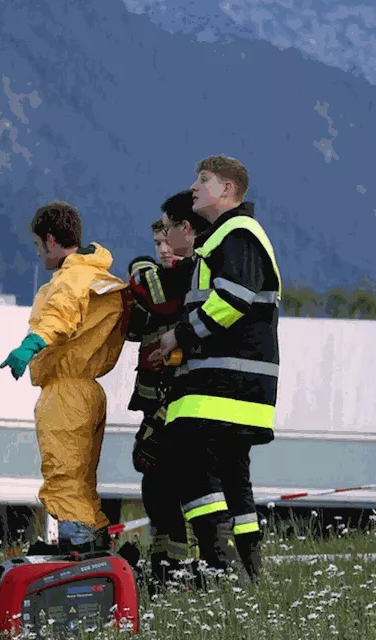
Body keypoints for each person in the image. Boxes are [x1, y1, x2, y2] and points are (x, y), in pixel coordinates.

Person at [150, 155, 282, 583]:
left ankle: (218, 565)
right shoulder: (221, 240)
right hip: (239, 389)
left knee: (186, 459)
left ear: (226, 190)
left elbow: (233, 299)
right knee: (233, 475)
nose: (193, 187)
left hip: (222, 385)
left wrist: (179, 338)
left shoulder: (237, 233)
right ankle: (248, 573)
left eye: (202, 180)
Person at [0, 200, 128, 554]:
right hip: (89, 390)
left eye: (39, 246)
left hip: (66, 390)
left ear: (52, 240)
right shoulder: (100, 276)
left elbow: (59, 317)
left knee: (64, 475)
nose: (39, 255)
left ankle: (77, 550)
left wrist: (30, 345)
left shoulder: (71, 280)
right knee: (83, 478)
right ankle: (95, 543)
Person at [122, 190, 209, 587]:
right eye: (156, 245)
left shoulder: (184, 278)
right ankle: (163, 562)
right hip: (154, 395)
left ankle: (177, 564)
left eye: (166, 242)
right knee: (154, 483)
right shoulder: (160, 278)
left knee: (168, 479)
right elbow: (135, 325)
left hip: (177, 398)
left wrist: (138, 267)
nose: (163, 251)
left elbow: (156, 296)